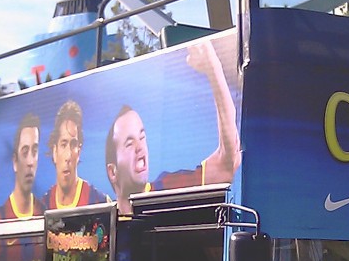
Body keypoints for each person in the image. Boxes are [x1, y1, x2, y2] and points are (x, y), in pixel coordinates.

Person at [104, 39, 240, 214]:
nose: (140, 148)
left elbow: (228, 160)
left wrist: (213, 68)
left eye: (142, 137)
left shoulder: (166, 187)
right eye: (129, 143)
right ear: (112, 172)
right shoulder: (100, 218)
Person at [43, 100, 109, 210]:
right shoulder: (43, 207)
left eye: (73, 145)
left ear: (79, 151)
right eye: (63, 145)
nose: (68, 156)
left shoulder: (99, 203)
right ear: (55, 151)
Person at [0, 113, 44, 221]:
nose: (30, 162)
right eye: (25, 152)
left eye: (34, 151)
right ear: (15, 161)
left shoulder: (44, 214)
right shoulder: (0, 220)